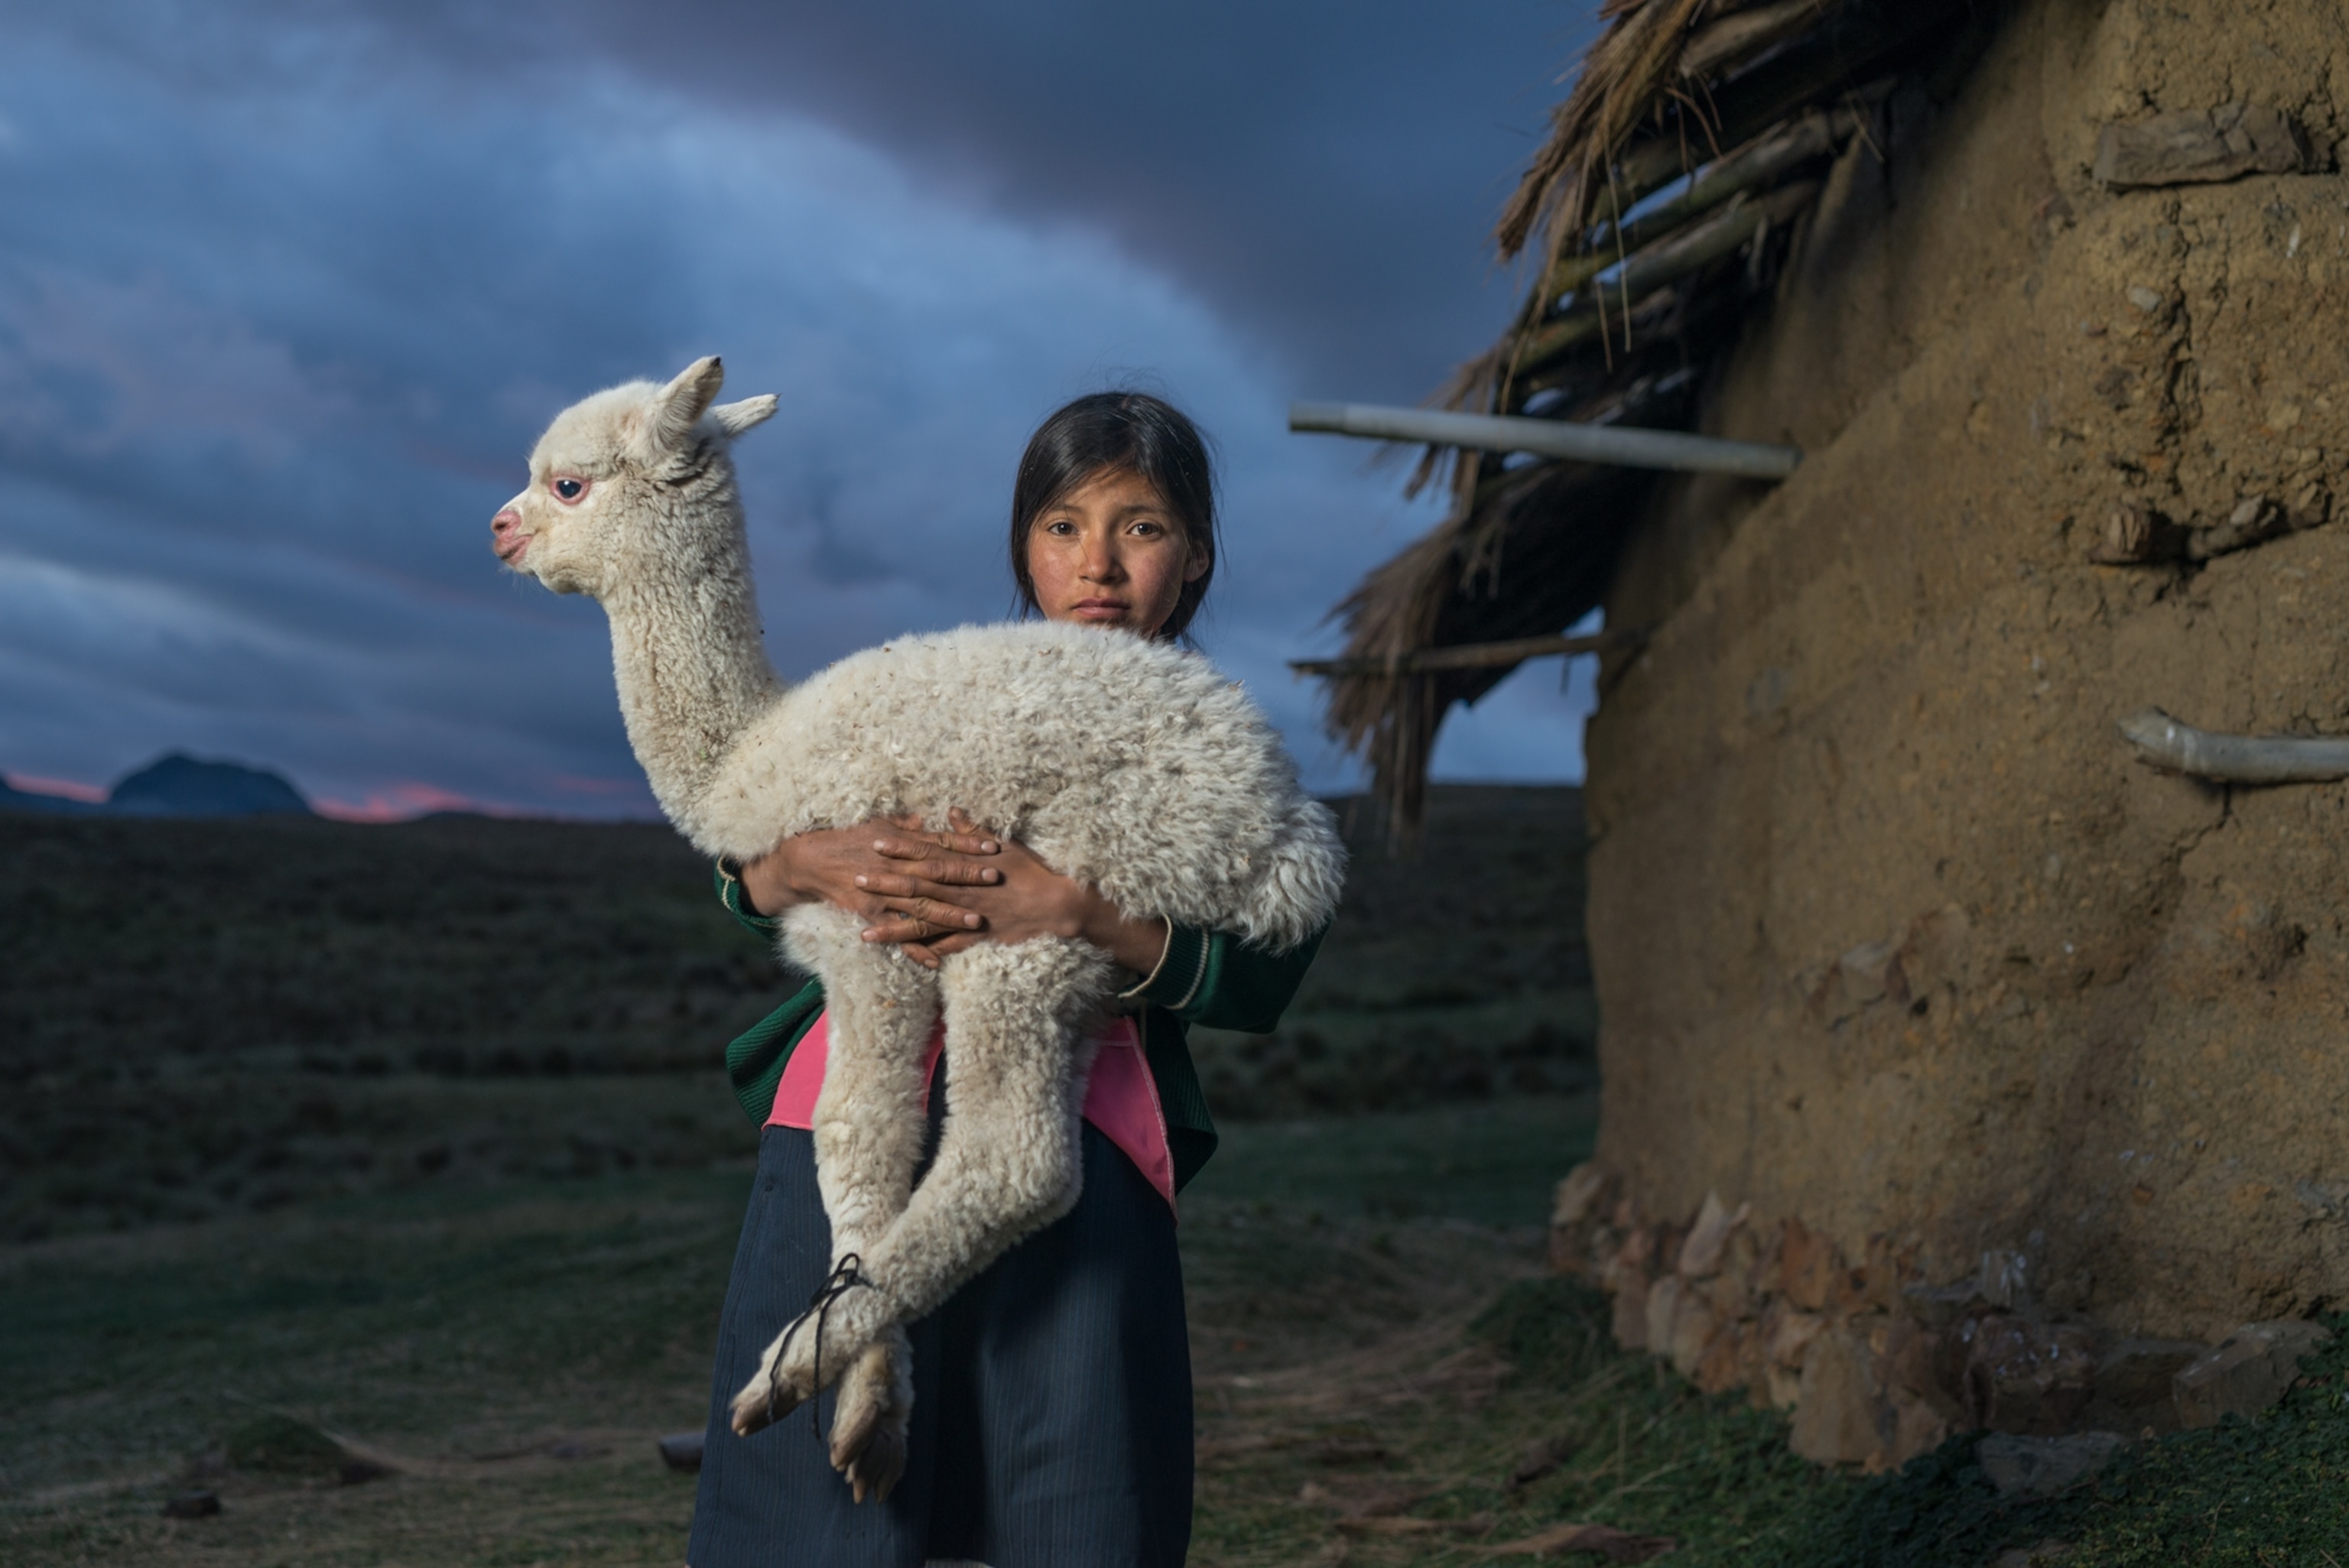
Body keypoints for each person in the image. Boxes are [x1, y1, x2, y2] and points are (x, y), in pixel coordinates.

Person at [687, 391, 1326, 1568]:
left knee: (1079, 1492)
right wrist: (794, 862)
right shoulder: (928, 697)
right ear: (1024, 546)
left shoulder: (1209, 745)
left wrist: (1080, 913)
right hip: (844, 1126)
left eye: (1142, 529)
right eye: (1063, 525)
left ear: (1194, 562)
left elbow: (1267, 970)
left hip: (1079, 1136)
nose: (1099, 563)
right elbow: (742, 856)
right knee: (813, 1521)